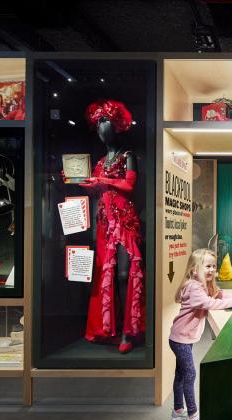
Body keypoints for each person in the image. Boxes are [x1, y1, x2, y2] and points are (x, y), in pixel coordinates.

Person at [77, 100, 145, 354]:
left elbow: (129, 186)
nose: (99, 129)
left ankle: (131, 329)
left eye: (103, 122)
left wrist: (102, 180)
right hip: (104, 222)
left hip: (125, 221)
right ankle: (110, 328)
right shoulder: (99, 161)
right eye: (96, 125)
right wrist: (83, 183)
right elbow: (98, 190)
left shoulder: (128, 157)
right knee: (107, 276)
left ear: (115, 125)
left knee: (126, 275)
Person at [169, 249, 232, 420]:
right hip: (180, 339)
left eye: (214, 266)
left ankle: (177, 412)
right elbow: (209, 303)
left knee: (180, 375)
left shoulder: (204, 284)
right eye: (207, 266)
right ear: (195, 270)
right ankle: (192, 419)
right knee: (189, 375)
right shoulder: (194, 287)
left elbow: (219, 295)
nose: (212, 270)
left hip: (184, 337)